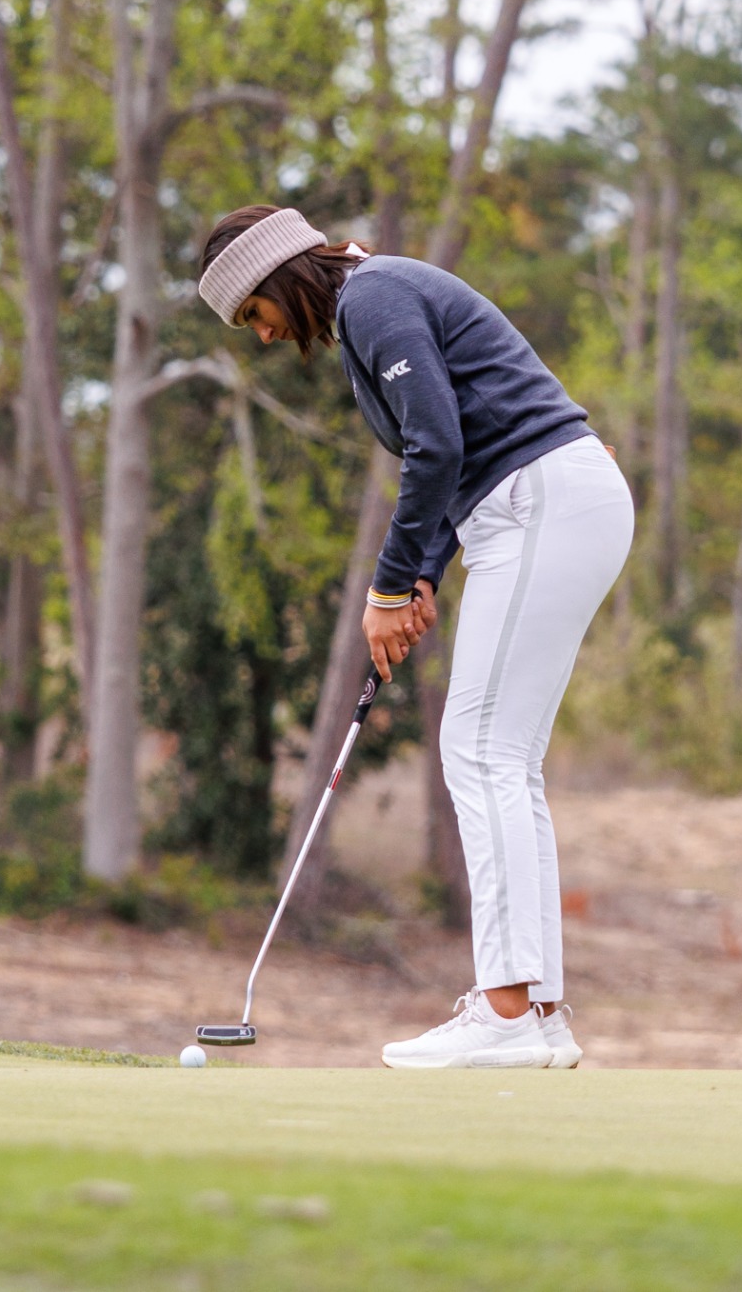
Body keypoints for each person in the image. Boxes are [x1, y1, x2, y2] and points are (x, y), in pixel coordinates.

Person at [197, 205, 634, 1069]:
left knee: (479, 749)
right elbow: (451, 452)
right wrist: (424, 572)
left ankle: (506, 1009)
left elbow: (435, 445)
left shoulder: (374, 295)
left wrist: (391, 585)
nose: (261, 334)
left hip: (542, 497)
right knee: (501, 754)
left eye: (253, 311)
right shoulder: (375, 302)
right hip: (539, 502)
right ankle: (537, 1010)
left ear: (278, 273)